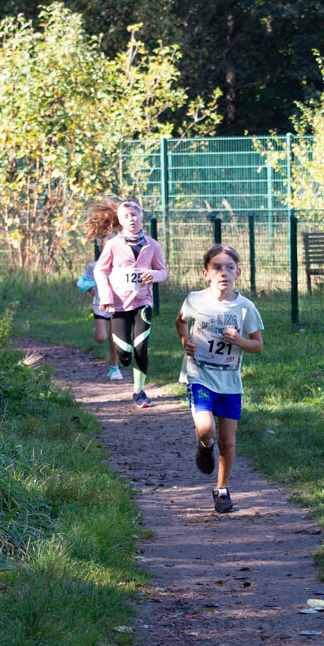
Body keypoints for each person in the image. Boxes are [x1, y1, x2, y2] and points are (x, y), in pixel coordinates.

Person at [176, 245, 264, 513]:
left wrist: (239, 341)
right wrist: (185, 341)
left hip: (230, 383)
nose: (223, 272)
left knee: (228, 441)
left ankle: (222, 489)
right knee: (206, 429)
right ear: (206, 274)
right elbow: (180, 321)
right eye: (216, 267)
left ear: (238, 272)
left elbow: (257, 345)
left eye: (229, 267)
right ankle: (205, 445)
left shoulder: (246, 308)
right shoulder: (195, 300)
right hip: (200, 376)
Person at [90, 198, 168, 408]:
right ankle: (124, 358)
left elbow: (163, 271)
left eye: (134, 215)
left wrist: (153, 275)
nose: (131, 219)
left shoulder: (152, 245)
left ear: (141, 217)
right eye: (126, 216)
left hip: (143, 301)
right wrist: (106, 297)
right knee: (124, 351)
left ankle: (139, 392)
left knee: (141, 346)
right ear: (120, 220)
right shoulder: (113, 244)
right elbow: (100, 270)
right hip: (118, 304)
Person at [77, 259, 122, 380]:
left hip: (118, 305)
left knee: (114, 338)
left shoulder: (122, 264)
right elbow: (83, 281)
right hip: (100, 306)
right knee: (101, 338)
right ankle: (96, 331)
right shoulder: (95, 266)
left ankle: (114, 368)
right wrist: (91, 290)